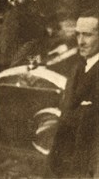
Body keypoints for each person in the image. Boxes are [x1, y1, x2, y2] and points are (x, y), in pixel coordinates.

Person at [50, 10, 99, 177]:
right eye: (77, 35)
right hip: (67, 158)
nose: (81, 42)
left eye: (87, 35)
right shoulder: (78, 66)